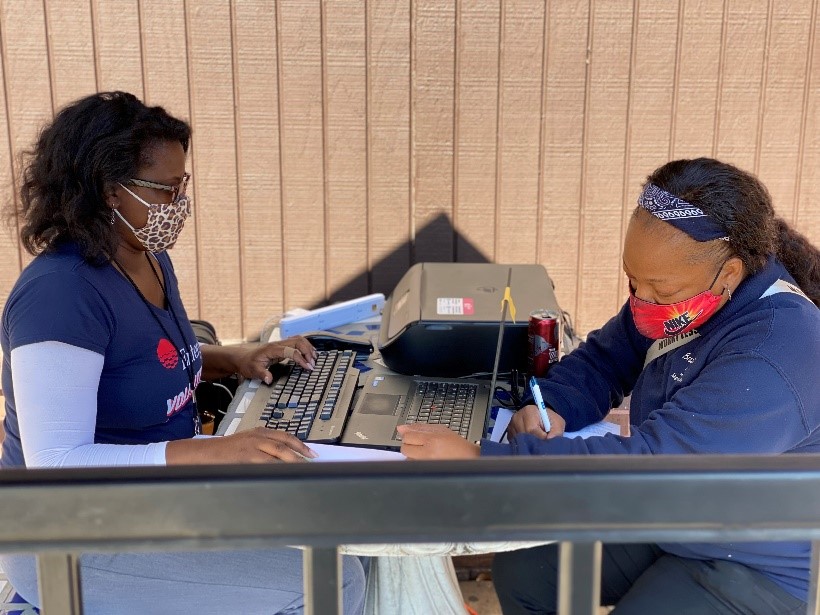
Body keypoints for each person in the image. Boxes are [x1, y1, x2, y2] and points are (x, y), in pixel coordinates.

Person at [398, 157, 820, 614]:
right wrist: (555, 404)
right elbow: (607, 357)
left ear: (731, 273)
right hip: (674, 515)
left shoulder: (775, 355)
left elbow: (653, 468)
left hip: (750, 563)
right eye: (633, 281)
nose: (641, 301)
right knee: (526, 577)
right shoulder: (687, 292)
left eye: (658, 289)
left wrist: (482, 460)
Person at [0, 91, 366, 614]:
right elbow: (56, 462)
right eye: (166, 190)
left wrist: (234, 356)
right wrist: (218, 453)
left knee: (350, 524)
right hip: (69, 541)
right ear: (108, 191)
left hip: (158, 500)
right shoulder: (58, 297)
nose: (179, 204)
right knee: (332, 579)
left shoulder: (144, 257)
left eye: (183, 186)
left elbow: (144, 356)